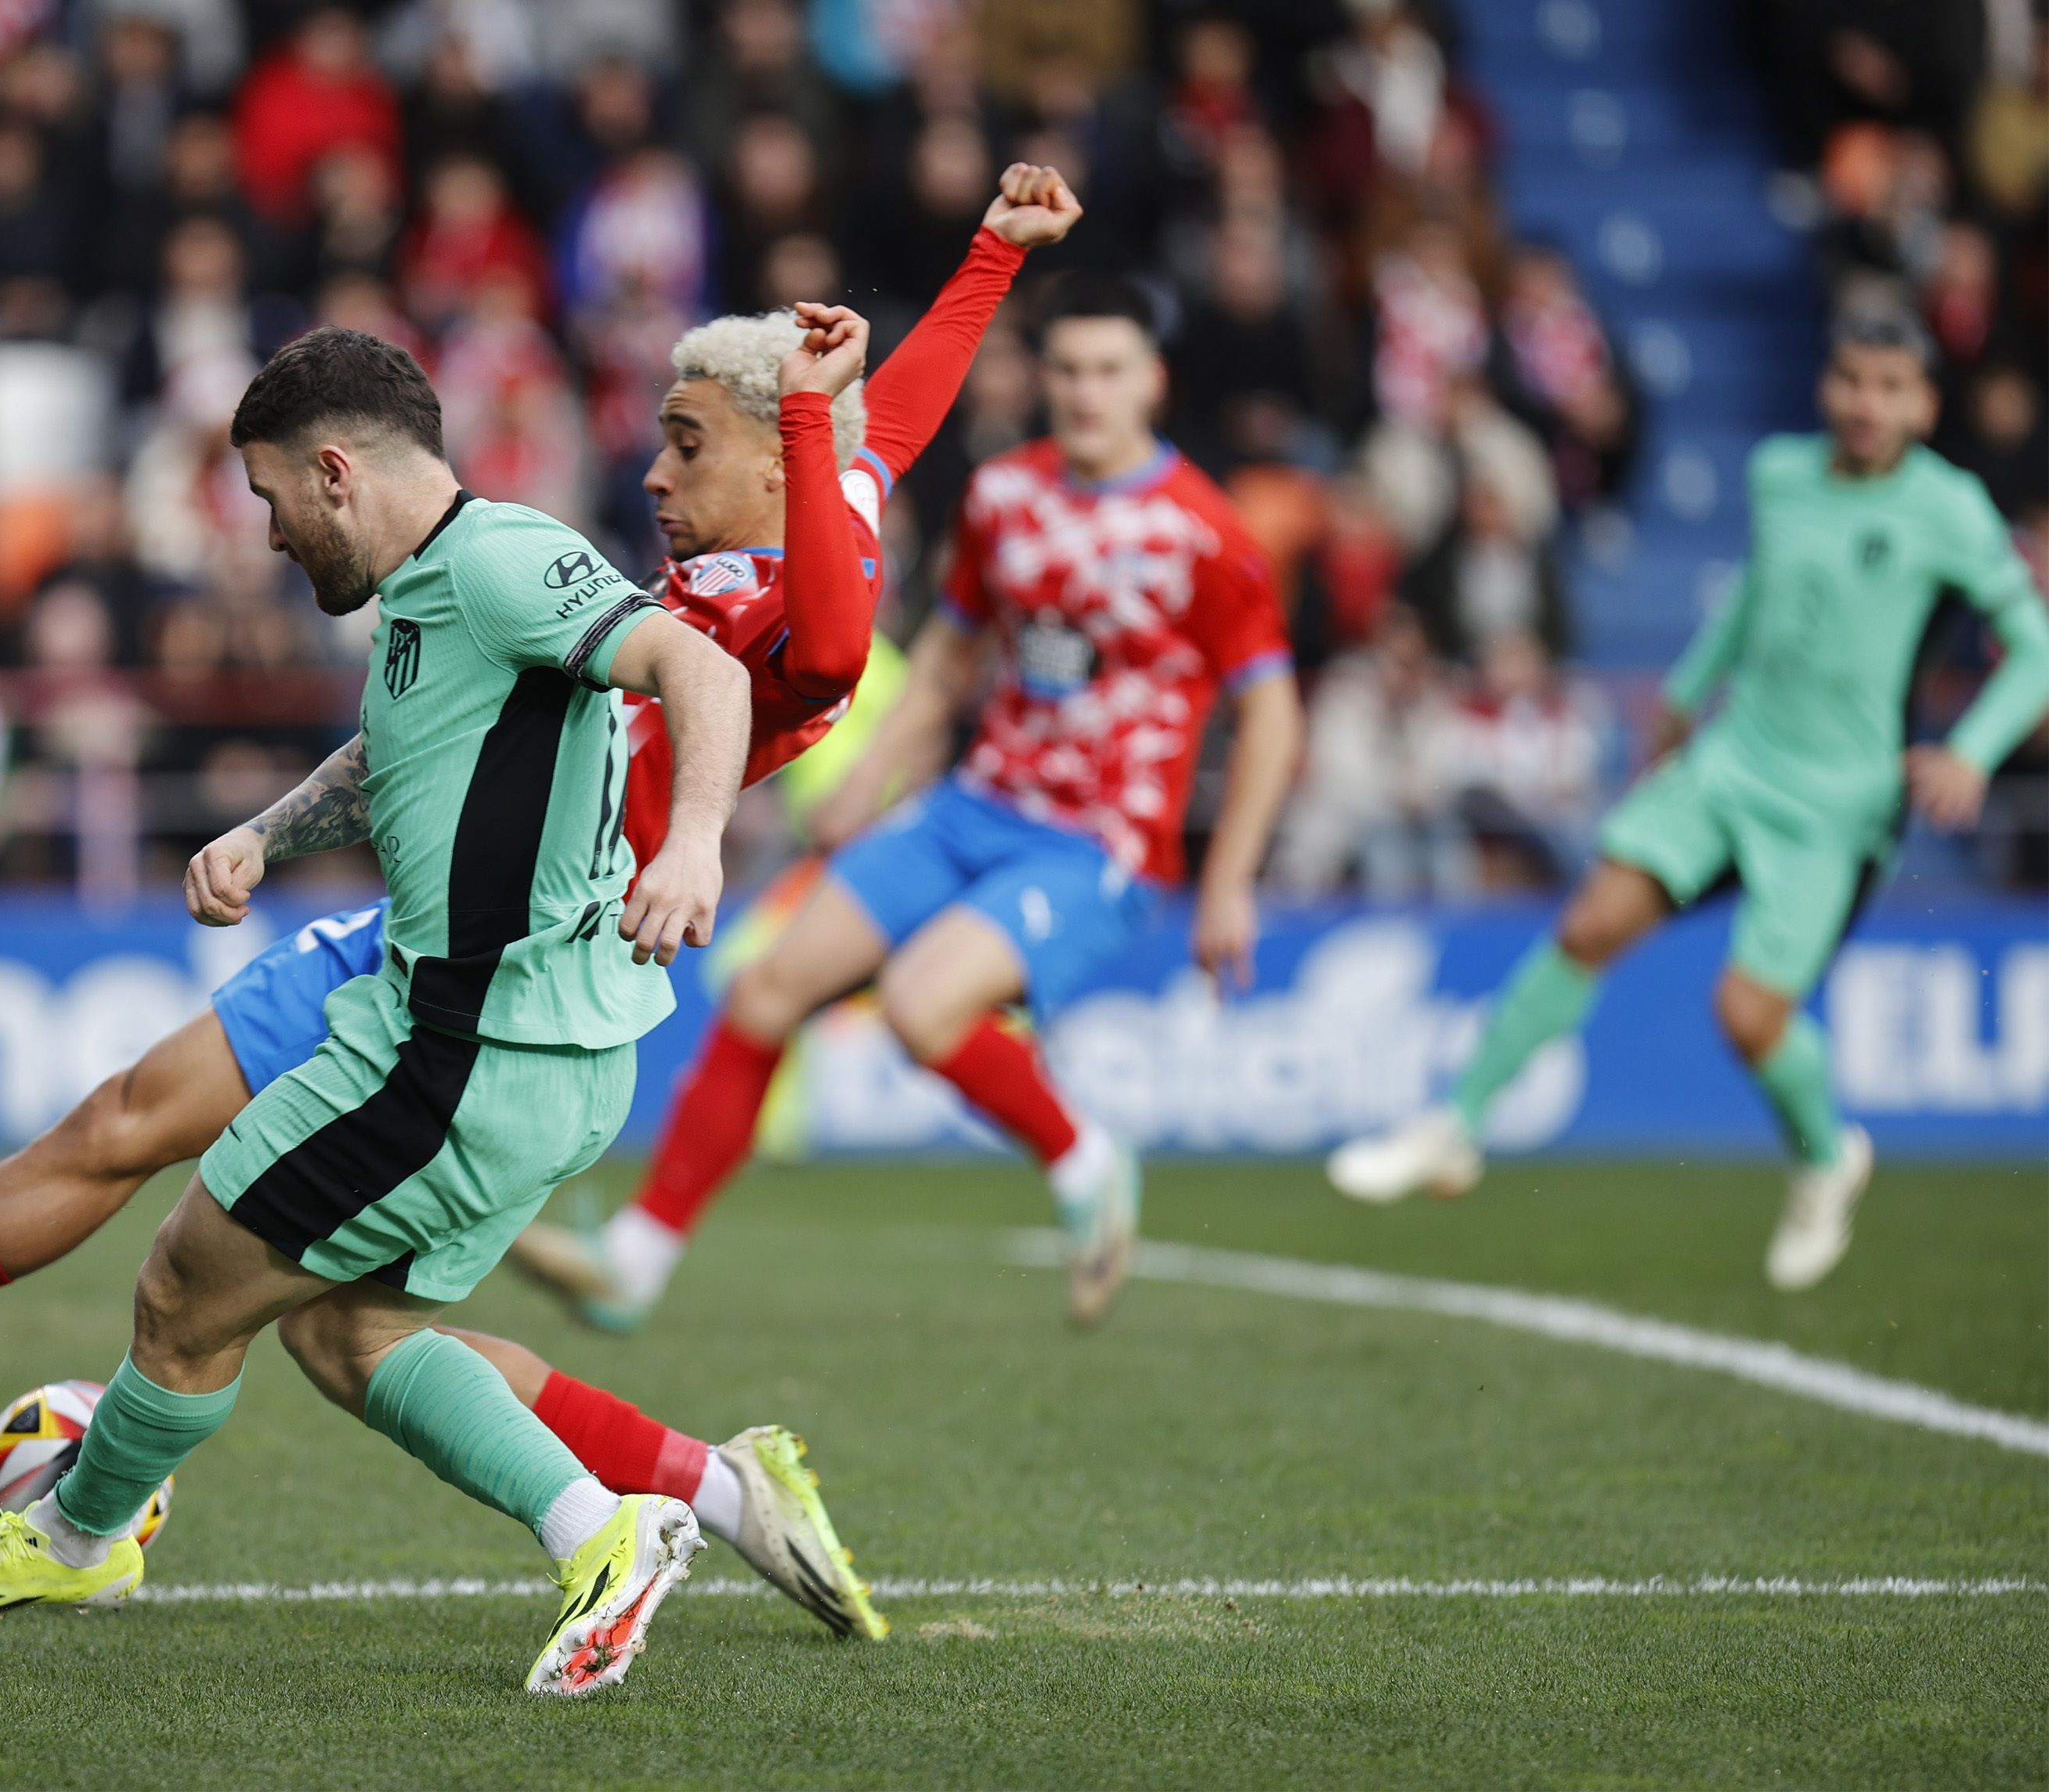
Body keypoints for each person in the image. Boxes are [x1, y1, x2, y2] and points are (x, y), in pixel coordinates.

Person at [0, 166, 1084, 1640]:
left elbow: (820, 629)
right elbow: (883, 421)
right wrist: (987, 255)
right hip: (415, 923)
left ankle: (174, 1519)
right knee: (129, 1122)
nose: (650, 472)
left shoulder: (776, 600)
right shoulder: (739, 516)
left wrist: (695, 833)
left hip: (522, 952)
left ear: (773, 455)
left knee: (320, 1317)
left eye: (684, 441)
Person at [0, 326, 752, 1694]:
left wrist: (692, 839)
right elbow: (404, 746)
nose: (270, 531)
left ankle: (78, 1532)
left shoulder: (498, 558)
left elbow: (705, 671)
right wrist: (268, 834)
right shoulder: (429, 589)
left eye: (270, 495)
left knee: (184, 1286)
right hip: (523, 1052)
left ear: (335, 470)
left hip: (464, 1049)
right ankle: (606, 1527)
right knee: (346, 1329)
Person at [511, 274, 1304, 1334]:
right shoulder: (1006, 497)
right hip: (973, 804)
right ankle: (638, 1259)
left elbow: (1273, 712)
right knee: (765, 990)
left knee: (926, 1007)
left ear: (1152, 383)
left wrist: (1232, 880)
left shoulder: (1203, 532)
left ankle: (1085, 1159)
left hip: (1099, 839)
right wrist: (873, 774)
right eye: (1065, 370)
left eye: (1108, 371)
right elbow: (946, 662)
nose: (1084, 393)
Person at [1328, 310, 2049, 1290]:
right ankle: (1456, 1126)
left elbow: (2035, 650)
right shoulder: (1782, 476)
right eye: (1851, 381)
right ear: (1827, 386)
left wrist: (1967, 750)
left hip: (1836, 802)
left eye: (1891, 388)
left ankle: (1828, 1157)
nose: (1867, 404)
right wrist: (1682, 692)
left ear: (1925, 403)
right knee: (1589, 923)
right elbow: (1757, 595)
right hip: (1733, 758)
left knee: (1748, 1015)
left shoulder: (1950, 510)